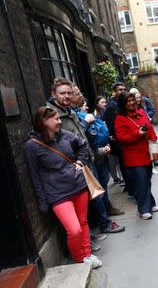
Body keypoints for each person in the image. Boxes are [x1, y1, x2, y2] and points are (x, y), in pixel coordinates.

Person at [24, 106, 102, 269]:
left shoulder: (64, 135)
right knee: (74, 230)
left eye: (59, 118)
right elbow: (35, 176)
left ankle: (87, 254)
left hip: (78, 186)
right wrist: (42, 201)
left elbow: (82, 145)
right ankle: (81, 259)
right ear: (44, 122)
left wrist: (80, 162)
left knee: (83, 222)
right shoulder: (32, 146)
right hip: (57, 194)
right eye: (56, 119)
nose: (60, 121)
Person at [46, 78, 125, 234]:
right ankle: (98, 228)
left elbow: (79, 136)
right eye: (63, 93)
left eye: (69, 93)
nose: (67, 96)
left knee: (95, 194)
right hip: (73, 165)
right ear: (53, 94)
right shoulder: (52, 114)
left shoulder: (68, 111)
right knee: (89, 199)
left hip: (85, 160)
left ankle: (101, 226)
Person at [114, 92, 158, 219]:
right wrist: (137, 134)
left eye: (132, 100)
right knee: (141, 182)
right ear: (123, 104)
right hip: (133, 157)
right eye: (127, 101)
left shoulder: (141, 112)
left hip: (147, 153)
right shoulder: (120, 118)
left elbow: (150, 128)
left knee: (147, 180)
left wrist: (153, 138)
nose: (131, 103)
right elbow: (121, 138)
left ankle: (151, 203)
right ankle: (143, 209)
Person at [130, 88, 158, 173]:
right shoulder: (132, 107)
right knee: (146, 149)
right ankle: (148, 166)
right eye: (135, 97)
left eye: (138, 97)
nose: (137, 99)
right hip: (140, 131)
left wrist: (148, 116)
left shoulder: (145, 102)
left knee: (152, 145)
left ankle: (154, 161)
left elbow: (152, 110)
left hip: (147, 127)